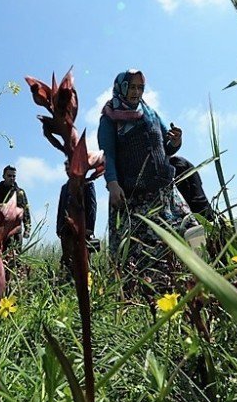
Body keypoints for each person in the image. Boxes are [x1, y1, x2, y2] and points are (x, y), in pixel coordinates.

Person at [98, 69, 194, 293]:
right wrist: (112, 183)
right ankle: (143, 297)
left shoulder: (149, 113)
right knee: (141, 250)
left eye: (140, 87)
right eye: (132, 87)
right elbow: (107, 154)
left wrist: (176, 140)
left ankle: (180, 288)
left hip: (164, 191)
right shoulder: (110, 117)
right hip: (135, 196)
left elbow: (166, 148)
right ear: (121, 88)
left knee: (188, 231)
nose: (136, 92)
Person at [56, 158, 98, 276]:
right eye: (66, 168)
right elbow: (60, 208)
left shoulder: (87, 184)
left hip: (82, 230)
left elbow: (92, 206)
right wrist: (59, 228)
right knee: (67, 259)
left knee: (83, 259)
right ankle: (68, 282)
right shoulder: (65, 187)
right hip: (66, 230)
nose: (68, 170)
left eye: (70, 167)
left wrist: (89, 227)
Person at [0, 165, 33, 246]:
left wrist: (27, 229)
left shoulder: (20, 192)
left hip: (16, 231)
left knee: (15, 256)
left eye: (14, 176)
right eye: (9, 176)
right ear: (3, 176)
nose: (12, 178)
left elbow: (25, 211)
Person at [169, 155, 215, 220]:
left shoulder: (175, 163)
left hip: (197, 213)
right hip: (205, 210)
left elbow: (184, 193)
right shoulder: (180, 161)